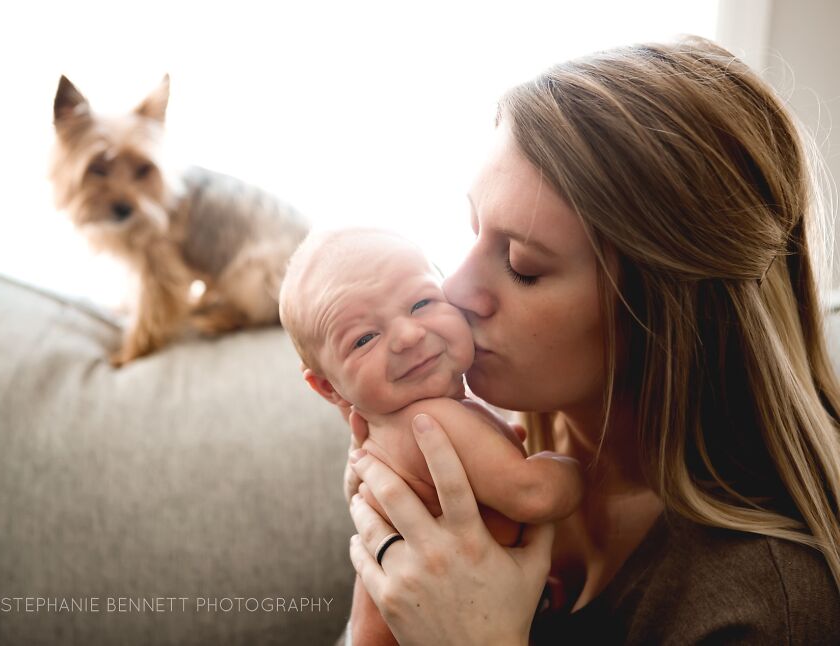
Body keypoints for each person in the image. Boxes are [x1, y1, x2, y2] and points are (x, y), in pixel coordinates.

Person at [341, 36, 840, 644]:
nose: (459, 289)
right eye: (473, 231)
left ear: (660, 315)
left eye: (523, 264)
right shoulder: (474, 453)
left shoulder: (769, 610)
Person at [277, 228, 582, 644]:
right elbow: (534, 495)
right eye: (364, 339)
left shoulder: (383, 435)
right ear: (328, 388)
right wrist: (568, 467)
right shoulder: (428, 419)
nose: (408, 335)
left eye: (422, 303)